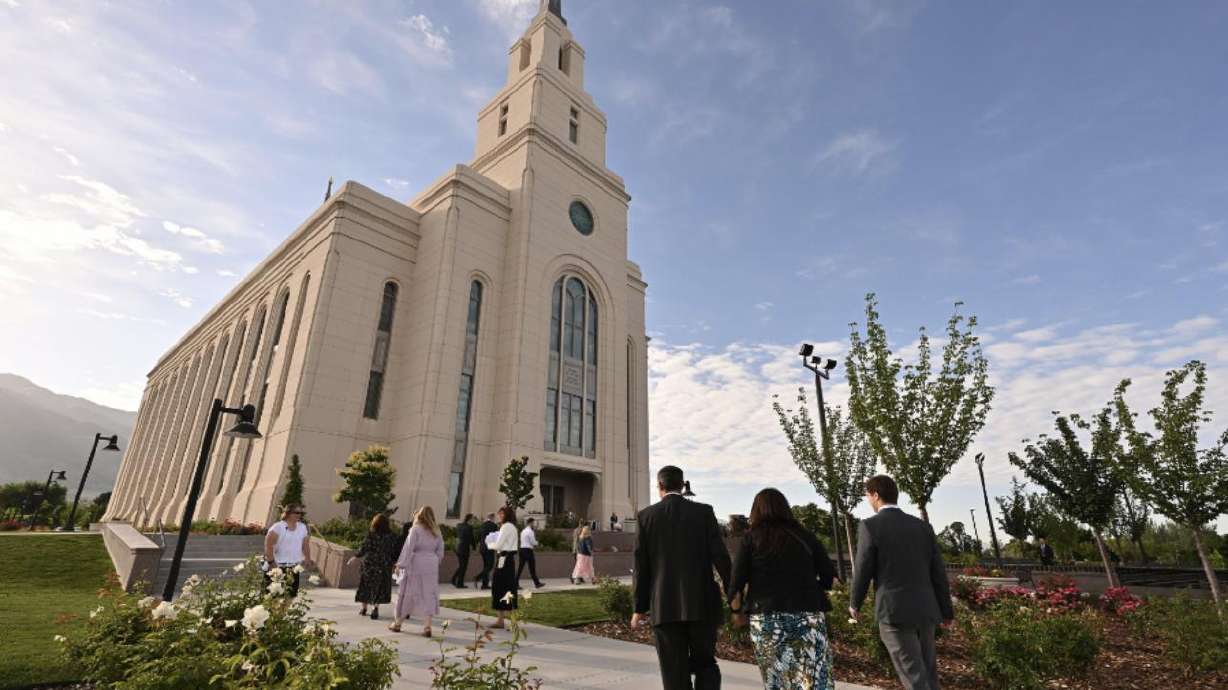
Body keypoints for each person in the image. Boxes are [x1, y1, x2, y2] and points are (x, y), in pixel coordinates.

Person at [631, 466, 732, 690]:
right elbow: (721, 557)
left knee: (673, 670)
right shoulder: (704, 512)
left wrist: (639, 608)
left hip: (664, 607)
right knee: (706, 664)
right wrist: (733, 594)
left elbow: (641, 566)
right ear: (682, 484)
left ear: (659, 486)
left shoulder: (646, 517)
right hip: (702, 603)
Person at [849, 475, 954, 690]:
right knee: (929, 674)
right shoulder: (923, 527)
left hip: (893, 611)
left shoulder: (869, 526)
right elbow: (938, 573)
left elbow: (862, 569)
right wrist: (947, 611)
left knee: (914, 677)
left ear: (876, 495)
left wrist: (854, 603)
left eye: (868, 496)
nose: (868, 500)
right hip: (926, 610)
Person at [728, 488, 836, 690]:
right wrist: (813, 589)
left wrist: (736, 612)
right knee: (814, 678)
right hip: (808, 614)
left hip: (766, 618)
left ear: (756, 511)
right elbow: (829, 575)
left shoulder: (750, 539)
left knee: (776, 678)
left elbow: (736, 582)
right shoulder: (805, 536)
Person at [390, 506, 443, 637]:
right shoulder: (437, 531)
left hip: (417, 562)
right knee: (429, 594)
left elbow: (408, 548)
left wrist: (400, 564)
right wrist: (434, 560)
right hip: (431, 564)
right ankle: (427, 626)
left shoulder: (415, 529)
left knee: (409, 592)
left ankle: (398, 623)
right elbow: (440, 551)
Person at [347, 513, 398, 620]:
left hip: (370, 563)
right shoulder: (392, 536)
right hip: (384, 564)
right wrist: (394, 562)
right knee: (379, 587)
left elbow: (364, 547)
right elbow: (394, 551)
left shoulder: (371, 534)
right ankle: (375, 608)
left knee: (366, 585)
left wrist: (355, 557)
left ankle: (364, 608)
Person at [264, 504, 313, 596]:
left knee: (290, 596)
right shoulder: (278, 527)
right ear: (288, 513)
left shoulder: (302, 527)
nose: (299, 515)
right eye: (297, 512)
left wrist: (307, 558)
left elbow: (305, 545)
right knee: (273, 598)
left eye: (301, 513)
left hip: (293, 568)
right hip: (277, 566)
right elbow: (268, 545)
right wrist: (271, 562)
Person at [489, 506, 521, 629]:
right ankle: (508, 620)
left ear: (506, 515)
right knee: (509, 588)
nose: (499, 516)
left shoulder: (506, 526)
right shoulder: (513, 527)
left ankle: (501, 620)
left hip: (503, 558)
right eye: (499, 513)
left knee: (499, 587)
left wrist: (489, 544)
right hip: (509, 559)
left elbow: (499, 544)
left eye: (501, 514)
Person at [517, 517, 545, 588]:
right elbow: (533, 542)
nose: (534, 525)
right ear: (530, 523)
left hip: (522, 550)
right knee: (532, 568)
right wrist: (538, 543)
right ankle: (537, 583)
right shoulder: (530, 531)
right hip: (528, 551)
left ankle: (515, 583)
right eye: (533, 523)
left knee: (520, 568)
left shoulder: (523, 531)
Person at [451, 513, 476, 589]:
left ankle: (454, 579)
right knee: (463, 567)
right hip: (464, 549)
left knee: (461, 566)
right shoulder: (469, 527)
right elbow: (471, 538)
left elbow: (457, 535)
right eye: (472, 519)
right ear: (470, 519)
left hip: (458, 548)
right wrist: (474, 547)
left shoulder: (459, 525)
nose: (473, 521)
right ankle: (459, 583)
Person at [474, 513, 498, 589]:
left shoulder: (483, 525)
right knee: (490, 565)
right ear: (492, 517)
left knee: (486, 566)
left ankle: (484, 584)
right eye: (494, 518)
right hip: (489, 548)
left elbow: (479, 536)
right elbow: (495, 537)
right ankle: (477, 577)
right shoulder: (493, 525)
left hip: (482, 548)